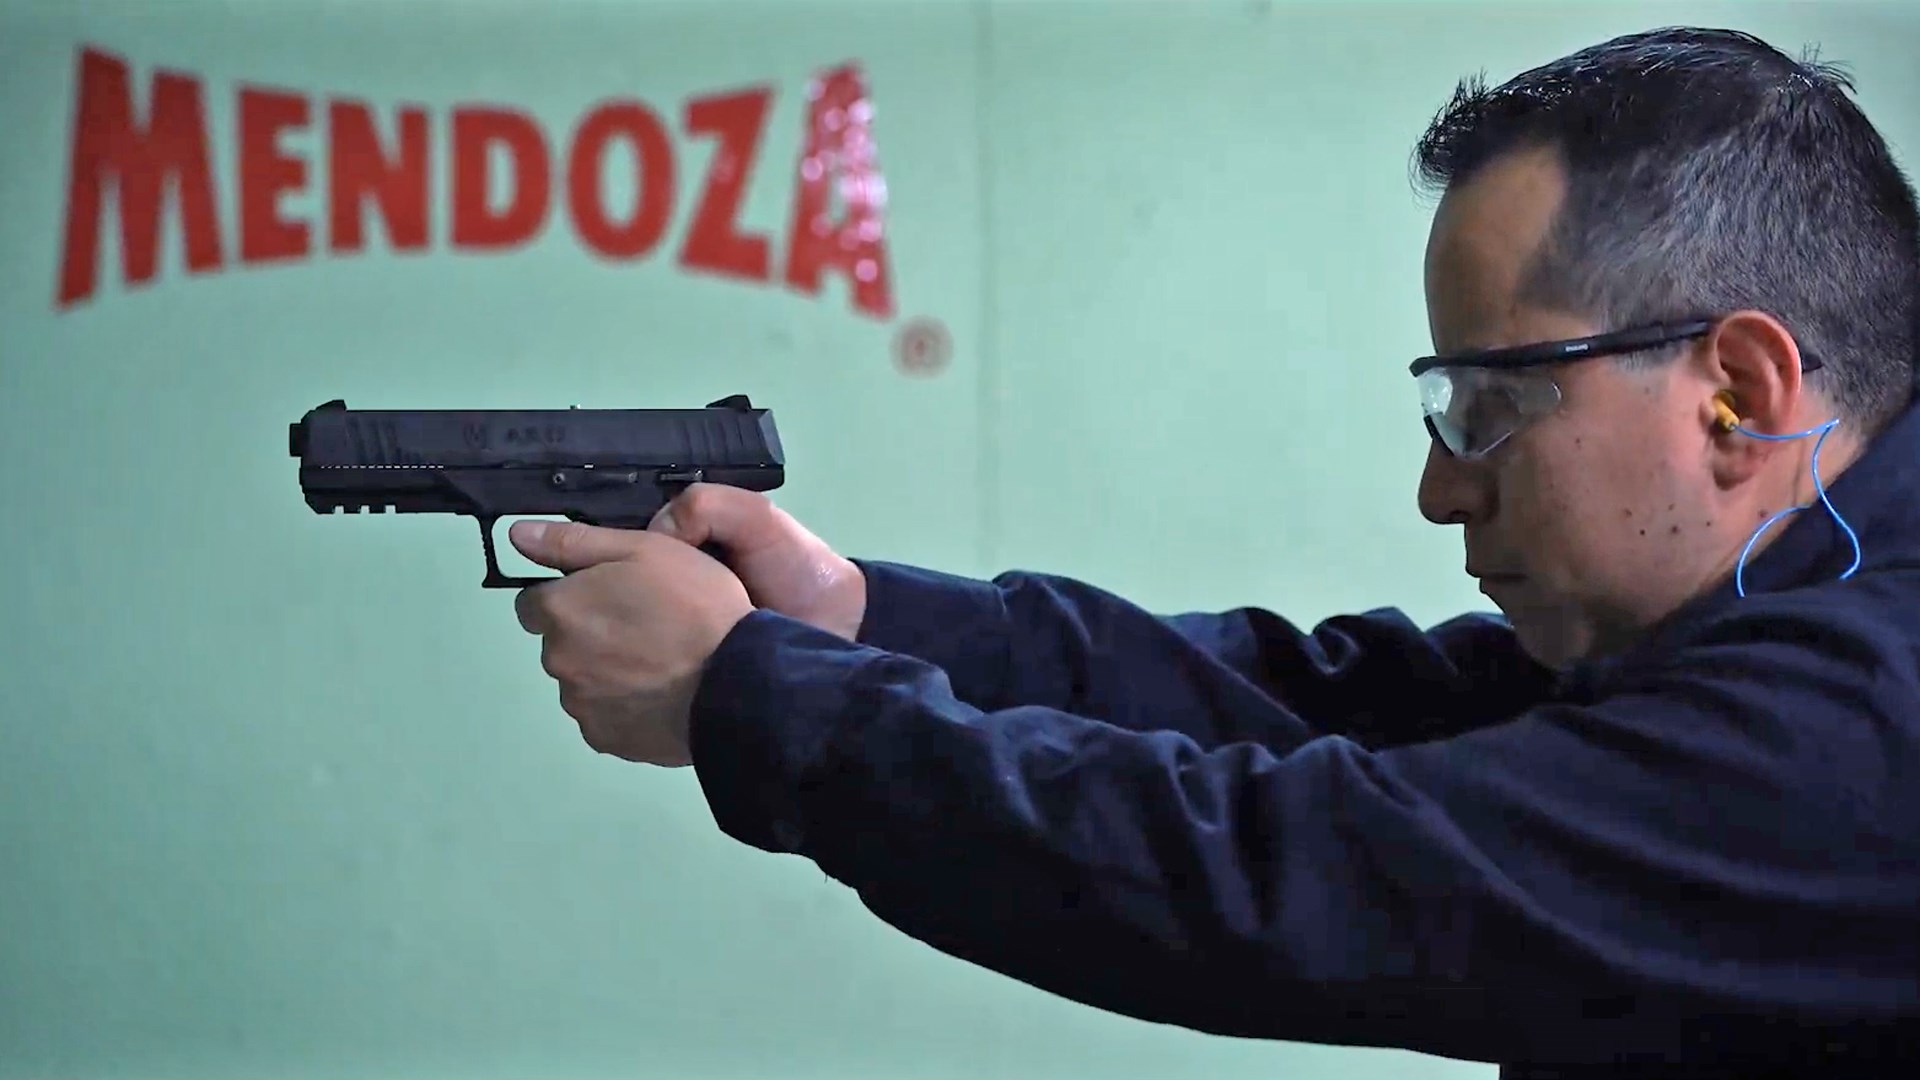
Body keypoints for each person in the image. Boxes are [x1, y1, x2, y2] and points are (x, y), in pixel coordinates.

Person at [506, 26, 1920, 1078]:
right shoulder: (1775, 618)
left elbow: (1285, 867)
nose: (1441, 488)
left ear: (1739, 392)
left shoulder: (1859, 724)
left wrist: (754, 696)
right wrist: (854, 613)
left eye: (1490, 406)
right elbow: (1329, 705)